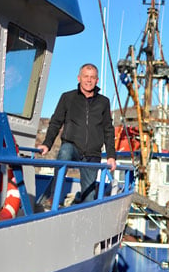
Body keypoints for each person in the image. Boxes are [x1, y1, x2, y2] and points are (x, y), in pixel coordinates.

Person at [37, 63, 116, 205]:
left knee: (89, 197)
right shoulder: (68, 98)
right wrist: (47, 144)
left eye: (92, 77)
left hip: (92, 154)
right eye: (86, 76)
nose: (89, 80)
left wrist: (111, 156)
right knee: (65, 151)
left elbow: (108, 130)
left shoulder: (104, 102)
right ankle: (54, 198)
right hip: (72, 146)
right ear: (79, 78)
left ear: (97, 80)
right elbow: (56, 122)